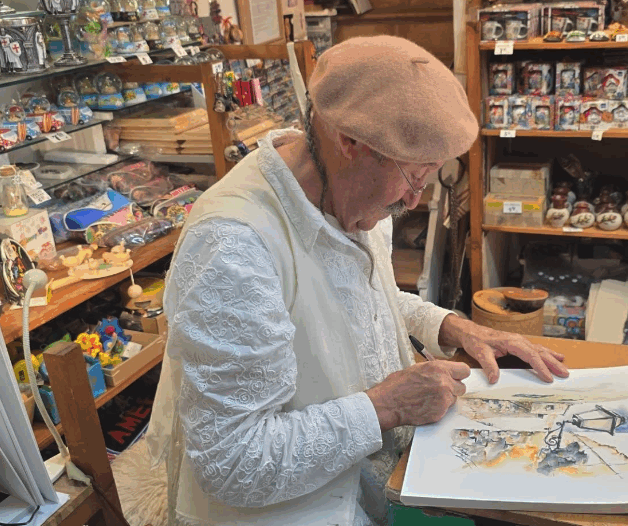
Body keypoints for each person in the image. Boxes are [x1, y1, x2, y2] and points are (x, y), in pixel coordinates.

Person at [146, 36, 568, 526]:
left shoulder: (347, 189)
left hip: (366, 481)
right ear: (349, 141)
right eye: (413, 178)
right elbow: (234, 462)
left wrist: (452, 327)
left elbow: (360, 296)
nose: (414, 201)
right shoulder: (233, 248)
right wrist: (384, 407)